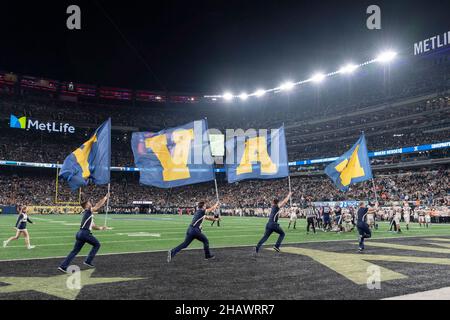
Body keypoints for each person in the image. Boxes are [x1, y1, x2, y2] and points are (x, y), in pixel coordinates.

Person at [58, 193, 111, 273]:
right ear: (86, 206)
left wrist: (101, 228)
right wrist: (105, 198)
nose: (91, 203)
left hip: (80, 233)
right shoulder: (88, 211)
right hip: (85, 233)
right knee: (97, 244)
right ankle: (88, 261)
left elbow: (93, 226)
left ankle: (63, 266)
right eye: (89, 203)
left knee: (74, 251)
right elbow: (98, 206)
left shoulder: (88, 214)